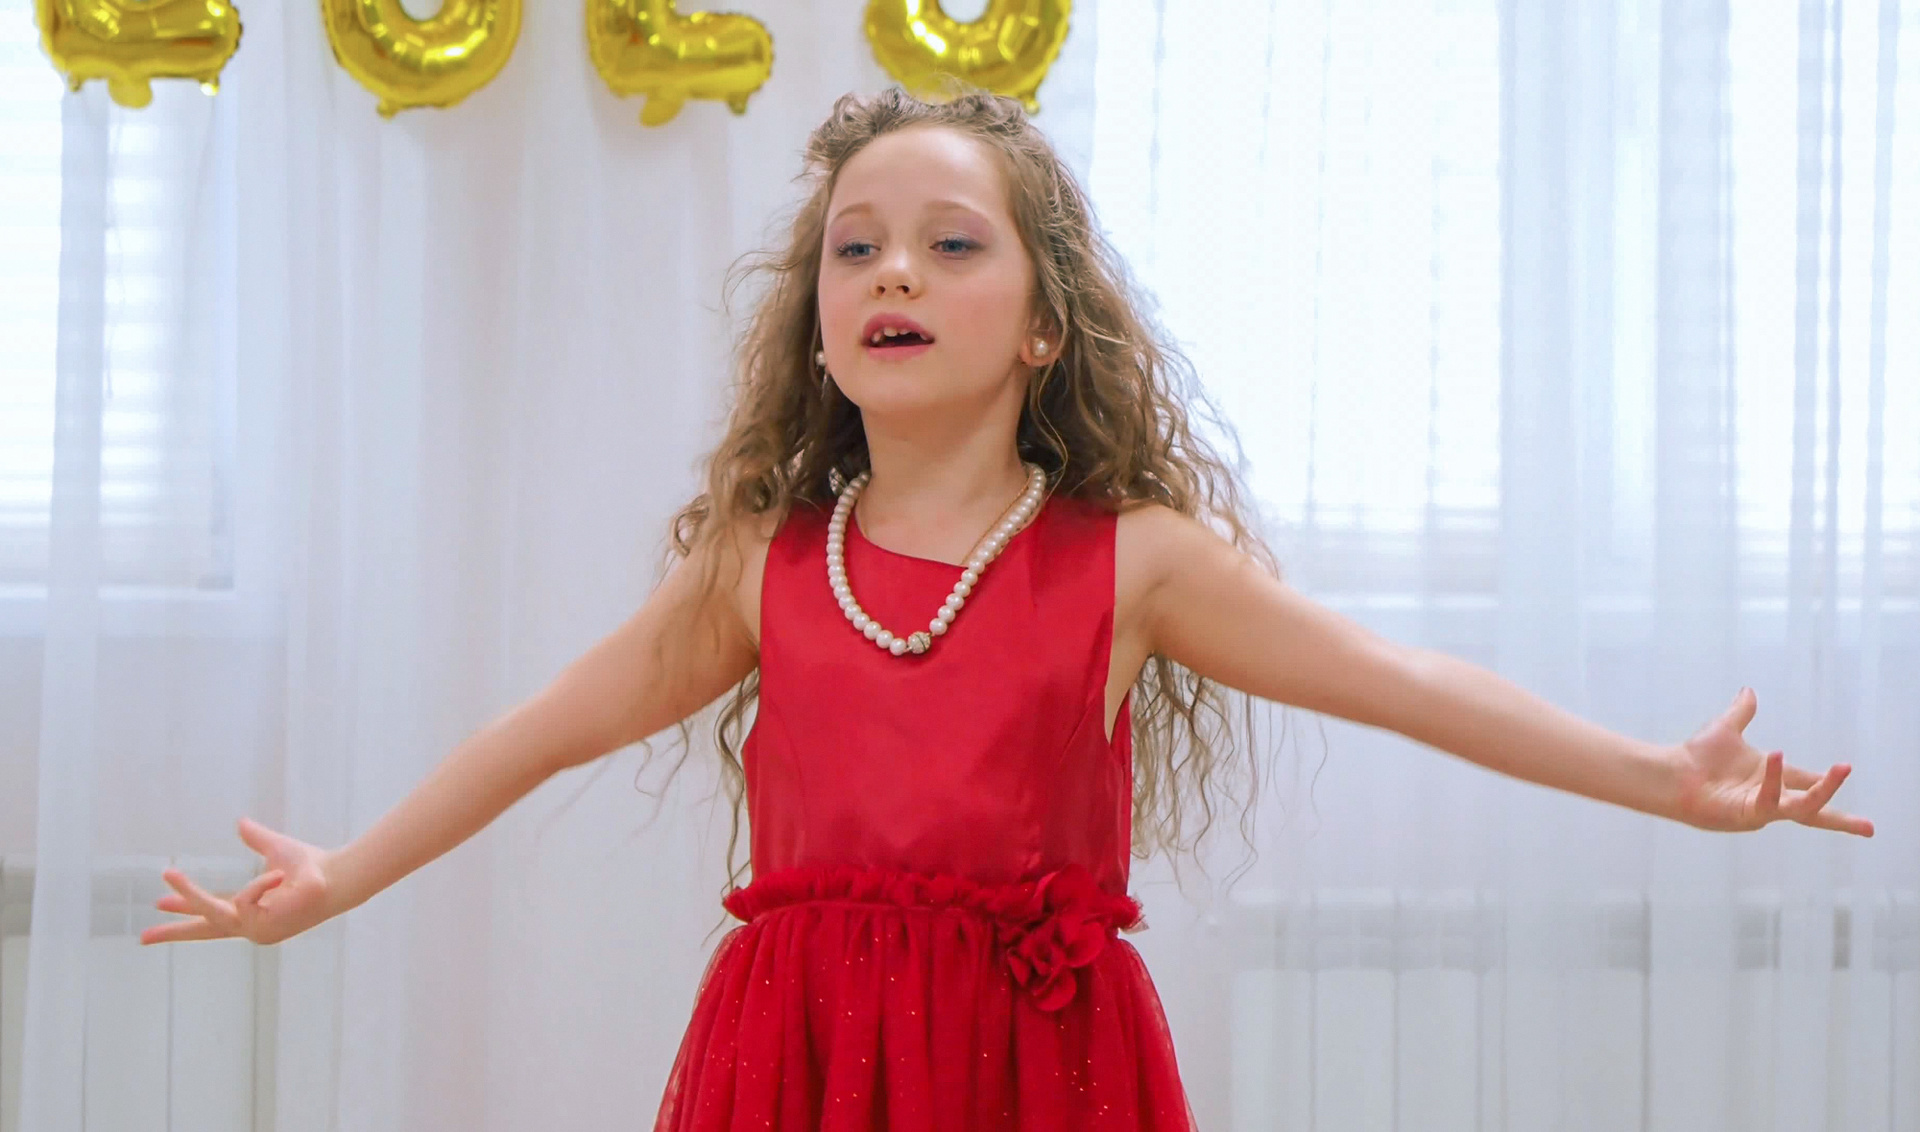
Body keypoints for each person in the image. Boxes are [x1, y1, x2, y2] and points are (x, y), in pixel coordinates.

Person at [140, 88, 1874, 1130]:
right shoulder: (764, 559)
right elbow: (541, 733)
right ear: (820, 321)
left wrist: (1661, 778)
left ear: (1046, 323)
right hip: (798, 1064)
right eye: (856, 247)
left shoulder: (1134, 560)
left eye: (952, 244)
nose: (893, 269)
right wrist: (343, 874)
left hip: (1039, 1071)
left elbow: (1399, 679)